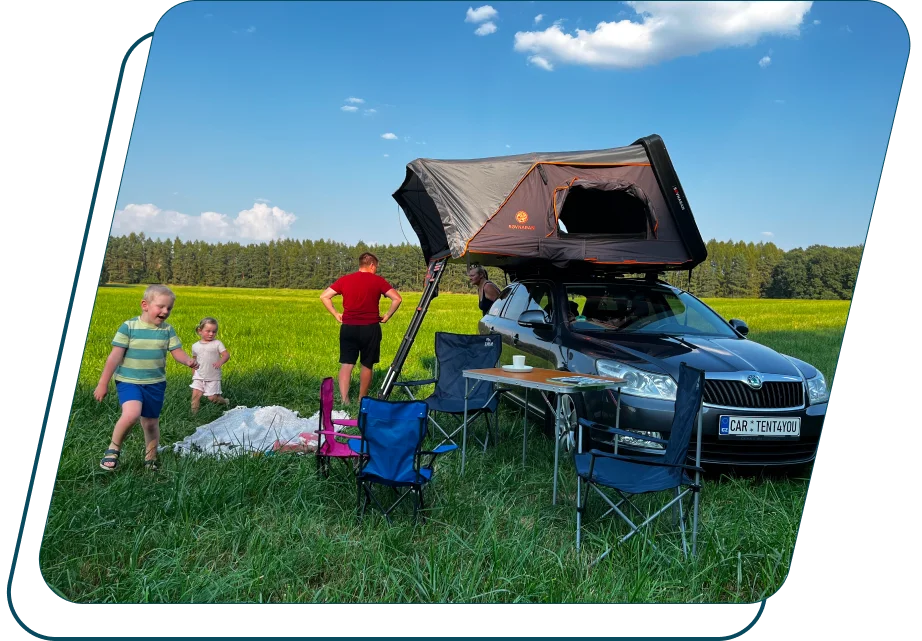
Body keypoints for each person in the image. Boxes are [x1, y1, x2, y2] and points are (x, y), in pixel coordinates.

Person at [93, 284, 199, 472]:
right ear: (145, 305)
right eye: (161, 306)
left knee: (150, 422)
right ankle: (114, 448)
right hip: (129, 381)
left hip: (155, 384)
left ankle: (151, 457)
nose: (165, 311)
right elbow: (114, 357)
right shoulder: (129, 327)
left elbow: (177, 352)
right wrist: (103, 383)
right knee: (132, 414)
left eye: (169, 308)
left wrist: (188, 361)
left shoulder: (167, 330)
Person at [320, 252, 402, 405]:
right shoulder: (378, 281)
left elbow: (324, 296)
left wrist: (336, 314)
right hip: (370, 328)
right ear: (372, 265)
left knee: (347, 363)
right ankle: (361, 400)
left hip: (348, 327)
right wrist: (387, 316)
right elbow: (397, 298)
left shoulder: (345, 280)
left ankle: (345, 401)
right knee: (366, 364)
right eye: (376, 267)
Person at [189, 316, 231, 413]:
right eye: (208, 331)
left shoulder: (217, 343)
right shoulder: (195, 346)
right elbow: (194, 360)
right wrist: (194, 373)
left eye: (214, 331)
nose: (211, 334)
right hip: (199, 376)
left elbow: (226, 355)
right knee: (195, 396)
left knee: (212, 398)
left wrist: (220, 361)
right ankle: (193, 417)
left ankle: (225, 401)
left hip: (213, 376)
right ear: (200, 331)